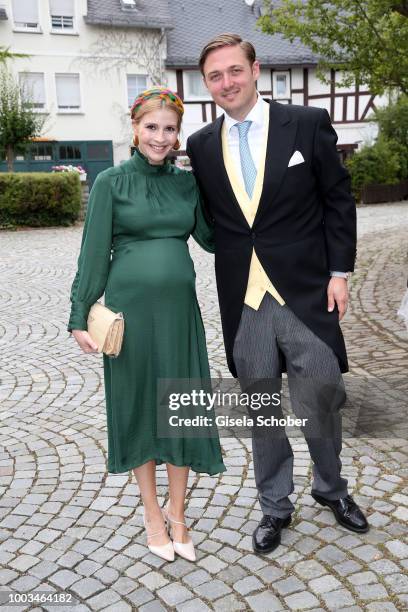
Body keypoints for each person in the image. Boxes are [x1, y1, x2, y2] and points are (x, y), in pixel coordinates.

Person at [186, 34, 369, 555]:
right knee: (261, 411)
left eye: (234, 71)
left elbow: (338, 201)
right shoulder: (200, 145)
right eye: (215, 76)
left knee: (322, 402)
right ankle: (275, 506)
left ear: (255, 69)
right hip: (243, 300)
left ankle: (332, 490)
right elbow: (207, 218)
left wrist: (340, 272)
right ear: (208, 84)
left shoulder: (305, 124)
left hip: (306, 293)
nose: (227, 83)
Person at [68, 87, 225, 563]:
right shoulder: (110, 183)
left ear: (178, 135)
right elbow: (93, 252)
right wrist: (79, 315)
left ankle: (178, 514)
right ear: (135, 129)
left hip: (179, 317)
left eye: (169, 129)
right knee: (139, 409)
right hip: (129, 319)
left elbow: (216, 238)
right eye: (152, 127)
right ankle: (152, 514)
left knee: (178, 406)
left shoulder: (185, 184)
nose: (160, 137)